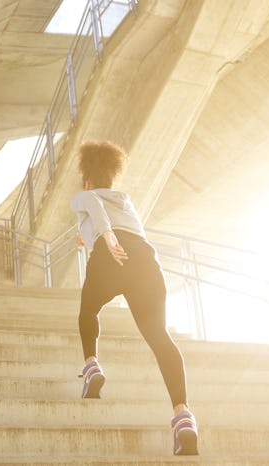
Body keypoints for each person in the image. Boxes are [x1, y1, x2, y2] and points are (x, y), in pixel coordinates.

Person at [69, 140, 199, 456]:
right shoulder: (125, 200)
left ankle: (91, 366)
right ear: (112, 178)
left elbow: (96, 209)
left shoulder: (84, 196)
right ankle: (183, 415)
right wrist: (87, 235)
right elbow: (107, 216)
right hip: (145, 260)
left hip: (110, 255)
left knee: (87, 312)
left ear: (86, 180)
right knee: (159, 336)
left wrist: (107, 237)